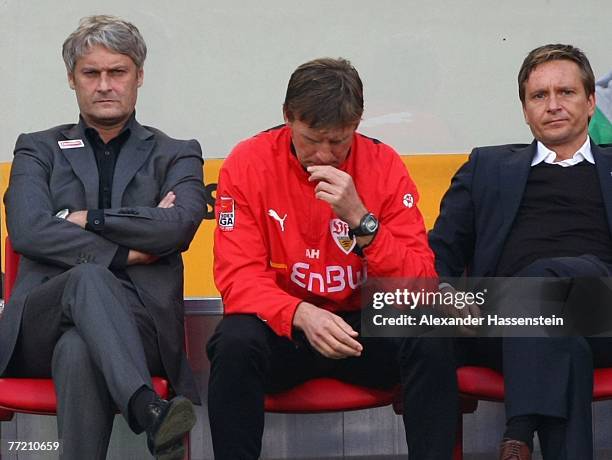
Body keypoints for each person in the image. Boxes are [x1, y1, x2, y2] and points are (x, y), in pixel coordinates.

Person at [207, 57, 458, 459]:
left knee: (430, 332)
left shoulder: (384, 164)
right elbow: (238, 278)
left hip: (363, 329)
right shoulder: (248, 162)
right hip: (287, 329)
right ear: (288, 117)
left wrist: (362, 221)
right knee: (234, 341)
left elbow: (420, 284)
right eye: (311, 139)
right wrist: (299, 314)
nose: (324, 155)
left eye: (339, 141)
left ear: (357, 123)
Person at [0, 15, 206, 460]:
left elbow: (179, 225)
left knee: (78, 349)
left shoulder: (176, 152)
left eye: (118, 72)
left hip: (140, 326)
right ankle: (148, 410)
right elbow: (29, 229)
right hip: (41, 322)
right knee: (88, 280)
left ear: (139, 76)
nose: (105, 84)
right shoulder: (37, 148)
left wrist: (83, 219)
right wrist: (127, 249)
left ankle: (149, 411)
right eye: (91, 73)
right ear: (72, 80)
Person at [429, 44, 612, 460]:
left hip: (603, 312)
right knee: (561, 336)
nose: (553, 105)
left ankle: (520, 427)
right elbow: (440, 249)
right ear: (525, 110)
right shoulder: (487, 167)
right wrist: (444, 290)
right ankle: (520, 430)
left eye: (565, 92)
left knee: (545, 283)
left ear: (590, 102)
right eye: (538, 96)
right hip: (502, 324)